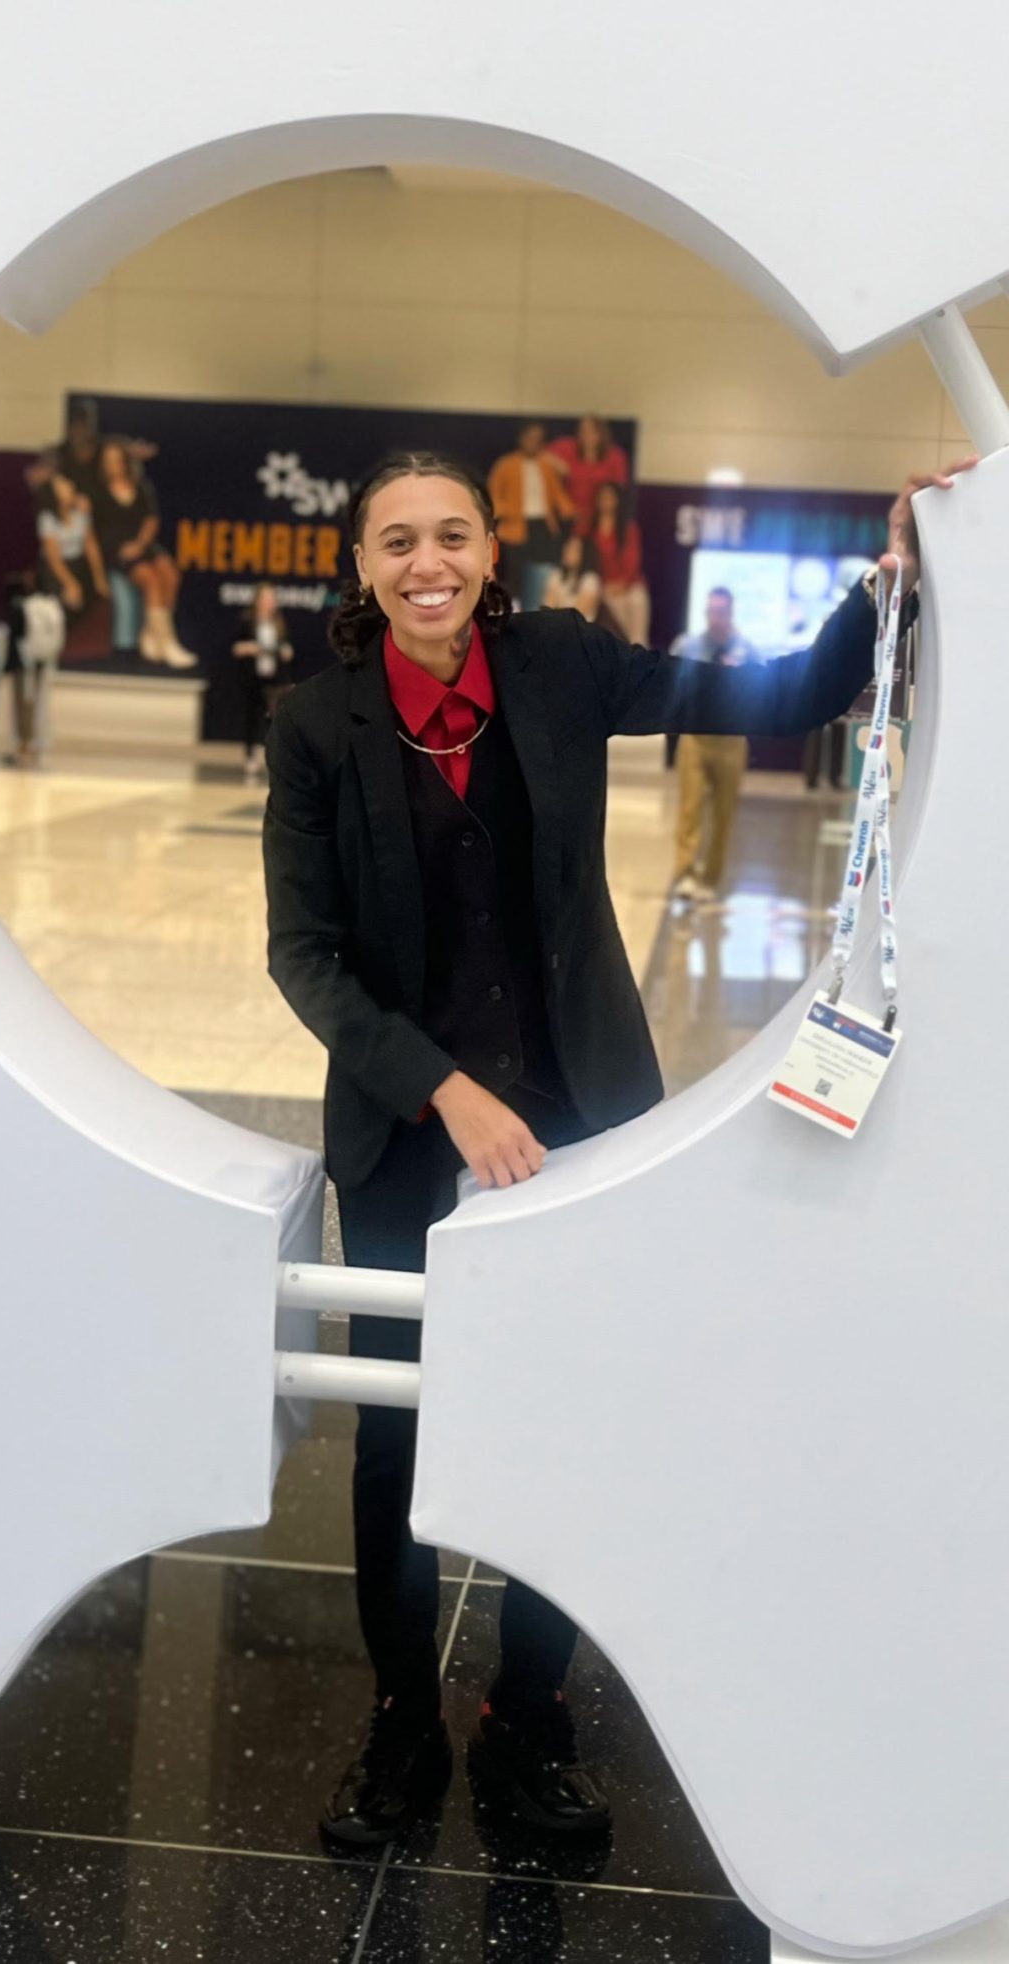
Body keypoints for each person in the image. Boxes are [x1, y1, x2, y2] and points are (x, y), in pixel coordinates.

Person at [262, 446, 973, 1853]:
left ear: (489, 550)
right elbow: (306, 956)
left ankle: (528, 1718)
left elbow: (782, 692)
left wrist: (903, 568)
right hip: (408, 1144)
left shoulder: (563, 667)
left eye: (452, 535)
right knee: (396, 1441)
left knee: (568, 1425)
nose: (428, 565)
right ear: (359, 566)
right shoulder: (314, 724)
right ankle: (405, 1717)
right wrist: (440, 1090)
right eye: (396, 541)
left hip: (581, 1117)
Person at [668, 587, 759, 903]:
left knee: (723, 813)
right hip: (696, 737)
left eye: (721, 611)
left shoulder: (747, 650)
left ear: (731, 612)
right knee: (689, 808)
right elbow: (668, 682)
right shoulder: (689, 646)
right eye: (711, 611)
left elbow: (763, 692)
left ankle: (711, 878)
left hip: (731, 741)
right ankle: (684, 874)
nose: (715, 618)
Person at [94, 438, 196, 669]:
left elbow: (151, 519)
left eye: (117, 461)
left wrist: (141, 543)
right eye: (108, 462)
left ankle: (154, 635)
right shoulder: (97, 492)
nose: (113, 466)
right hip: (116, 549)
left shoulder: (140, 486)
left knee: (169, 573)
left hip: (142, 543)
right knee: (150, 578)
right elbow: (94, 532)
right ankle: (167, 644)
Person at [487, 422, 572, 611]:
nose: (534, 442)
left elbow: (558, 491)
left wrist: (569, 511)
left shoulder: (546, 464)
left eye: (538, 439)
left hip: (543, 525)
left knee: (542, 574)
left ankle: (537, 611)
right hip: (514, 526)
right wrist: (509, 510)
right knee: (515, 575)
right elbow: (493, 495)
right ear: (521, 438)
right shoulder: (506, 464)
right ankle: (514, 611)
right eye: (530, 437)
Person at [232, 583, 295, 784]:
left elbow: (286, 648)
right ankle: (251, 756)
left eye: (272, 598)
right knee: (252, 715)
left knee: (274, 718)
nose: (269, 602)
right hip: (253, 675)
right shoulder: (248, 621)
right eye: (265, 598)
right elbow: (236, 647)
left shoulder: (278, 623)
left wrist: (284, 651)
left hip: (274, 677)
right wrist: (251, 648)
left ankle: (273, 756)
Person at [2, 566, 64, 768]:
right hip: (42, 661)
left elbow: (16, 636)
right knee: (36, 704)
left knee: (24, 704)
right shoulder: (52, 606)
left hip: (25, 661)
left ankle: (25, 746)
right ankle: (32, 745)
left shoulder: (25, 606)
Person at [36, 471, 107, 622]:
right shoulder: (47, 518)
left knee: (87, 606)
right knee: (67, 602)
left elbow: (91, 546)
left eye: (67, 483)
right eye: (62, 486)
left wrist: (99, 578)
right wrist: (71, 583)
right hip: (56, 568)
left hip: (79, 563)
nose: (70, 487)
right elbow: (53, 559)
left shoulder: (81, 511)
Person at [588, 481, 651, 647]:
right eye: (603, 498)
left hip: (631, 584)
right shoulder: (591, 530)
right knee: (624, 631)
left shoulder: (628, 528)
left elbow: (633, 558)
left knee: (637, 605)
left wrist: (624, 583)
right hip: (606, 587)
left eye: (610, 498)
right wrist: (605, 586)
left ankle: (644, 657)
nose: (606, 502)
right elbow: (589, 562)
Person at [546, 414, 629, 532]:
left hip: (599, 519)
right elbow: (539, 454)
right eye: (583, 430)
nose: (587, 435)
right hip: (569, 517)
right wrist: (559, 466)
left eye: (592, 431)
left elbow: (618, 493)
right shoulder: (566, 447)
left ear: (602, 434)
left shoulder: (615, 456)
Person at [539, 533, 603, 620]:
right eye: (567, 546)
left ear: (583, 555)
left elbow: (576, 616)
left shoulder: (591, 580)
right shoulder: (556, 574)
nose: (566, 550)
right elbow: (546, 608)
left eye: (573, 549)